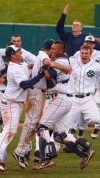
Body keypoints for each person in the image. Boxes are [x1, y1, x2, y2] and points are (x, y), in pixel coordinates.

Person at [33, 40, 95, 170]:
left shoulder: (61, 60)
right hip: (63, 99)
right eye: (51, 48)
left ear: (60, 51)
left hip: (61, 99)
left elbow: (50, 75)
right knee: (60, 136)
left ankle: (46, 158)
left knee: (42, 127)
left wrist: (41, 67)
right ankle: (85, 152)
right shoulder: (60, 59)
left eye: (54, 49)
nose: (52, 51)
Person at [12, 39, 71, 169]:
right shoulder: (44, 56)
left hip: (38, 93)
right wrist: (66, 67)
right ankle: (20, 151)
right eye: (53, 49)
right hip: (36, 93)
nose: (53, 52)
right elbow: (47, 62)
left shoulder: (40, 54)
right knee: (31, 124)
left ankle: (23, 151)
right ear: (49, 49)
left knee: (34, 125)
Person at [0, 45, 46, 172]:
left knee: (7, 131)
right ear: (12, 55)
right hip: (11, 103)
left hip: (14, 103)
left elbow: (26, 67)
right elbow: (25, 84)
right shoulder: (14, 69)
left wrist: (31, 66)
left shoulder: (20, 64)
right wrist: (39, 76)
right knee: (9, 131)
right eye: (18, 51)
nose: (20, 52)